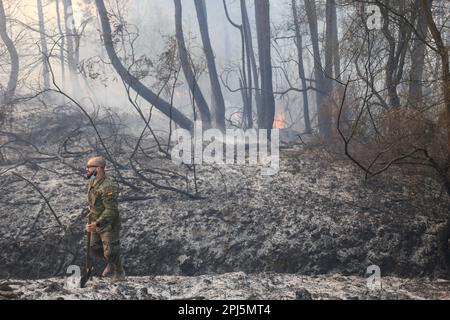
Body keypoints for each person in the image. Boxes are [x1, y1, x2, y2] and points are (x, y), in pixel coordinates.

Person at [85, 156, 125, 281]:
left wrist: (98, 223)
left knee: (110, 251)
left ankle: (119, 271)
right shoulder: (92, 180)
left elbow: (111, 210)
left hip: (108, 223)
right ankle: (110, 263)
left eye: (89, 167)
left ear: (99, 168)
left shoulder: (108, 186)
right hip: (94, 220)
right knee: (95, 248)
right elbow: (93, 199)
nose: (87, 170)